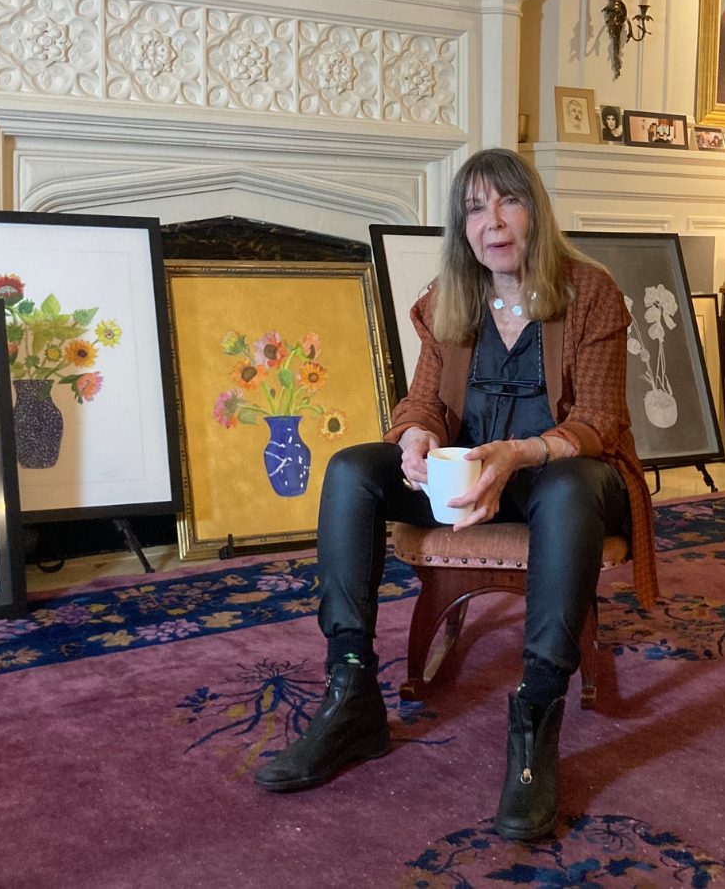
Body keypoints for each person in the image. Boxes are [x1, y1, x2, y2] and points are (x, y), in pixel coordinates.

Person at [253, 149, 657, 841]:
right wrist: (412, 437)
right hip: (469, 476)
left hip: (564, 476)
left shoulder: (588, 292)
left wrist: (520, 454)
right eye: (474, 208)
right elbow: (422, 405)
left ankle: (535, 716)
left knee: (563, 488)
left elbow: (599, 421)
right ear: (460, 225)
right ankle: (351, 692)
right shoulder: (453, 298)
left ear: (535, 210)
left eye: (508, 202)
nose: (492, 221)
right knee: (353, 469)